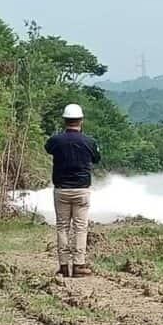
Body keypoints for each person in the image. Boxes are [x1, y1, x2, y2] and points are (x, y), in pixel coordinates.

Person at [45, 104, 101, 277]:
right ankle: (78, 265)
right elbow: (96, 159)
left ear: (64, 121)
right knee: (80, 227)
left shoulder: (55, 141)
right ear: (81, 121)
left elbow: (48, 149)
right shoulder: (89, 142)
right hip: (82, 190)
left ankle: (63, 266)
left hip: (61, 189)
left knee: (62, 226)